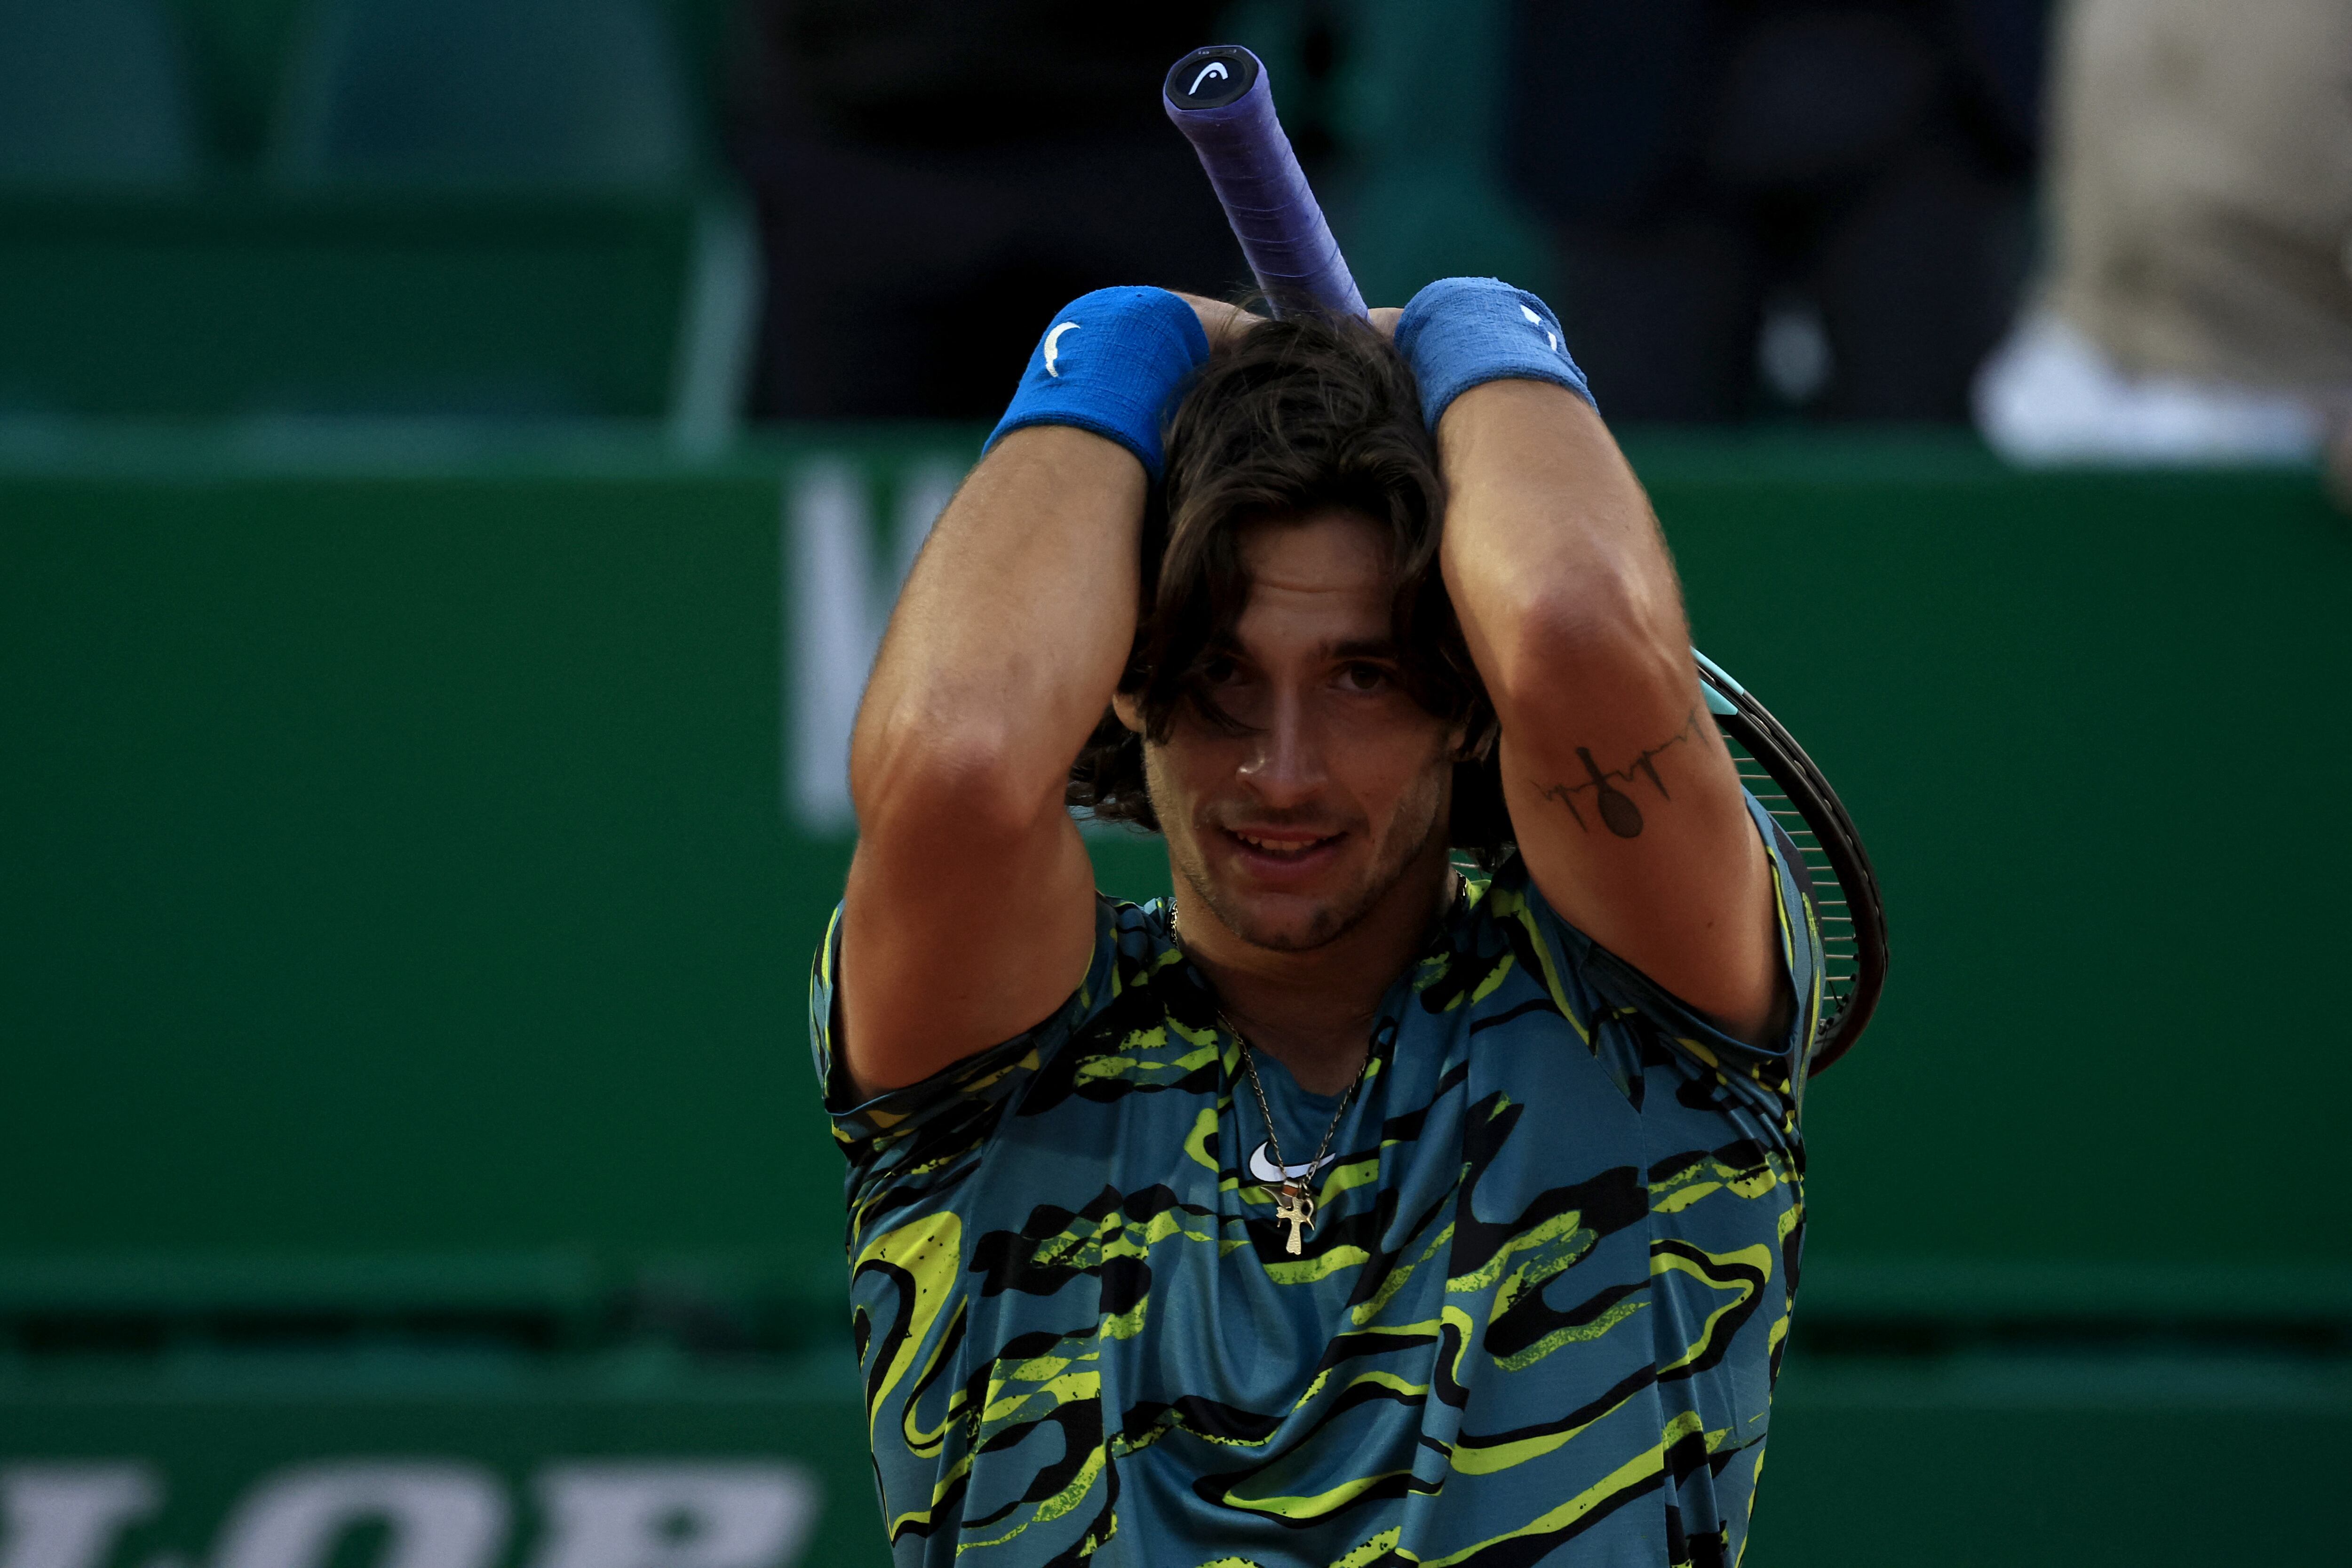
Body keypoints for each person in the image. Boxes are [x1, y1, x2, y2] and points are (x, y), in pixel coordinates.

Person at [811, 278, 1826, 1566]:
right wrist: (1135, 328)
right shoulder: (1000, 1067)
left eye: (1362, 677)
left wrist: (1470, 316)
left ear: (1468, 702)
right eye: (1224, 674)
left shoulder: (1632, 1022)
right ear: (1125, 677)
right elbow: (958, 757)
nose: (1281, 771)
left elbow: (1575, 620)